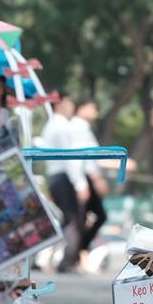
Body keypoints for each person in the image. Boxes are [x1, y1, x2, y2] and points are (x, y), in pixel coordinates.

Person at [38, 96, 87, 272]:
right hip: (63, 176)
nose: (72, 106)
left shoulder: (50, 125)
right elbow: (70, 157)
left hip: (54, 176)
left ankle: (55, 257)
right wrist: (80, 184)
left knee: (65, 220)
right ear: (58, 104)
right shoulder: (62, 125)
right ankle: (67, 260)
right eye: (68, 102)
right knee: (73, 220)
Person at [68, 97, 108, 265]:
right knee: (81, 218)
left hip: (82, 177)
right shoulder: (79, 127)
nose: (95, 113)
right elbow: (85, 157)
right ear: (81, 108)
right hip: (82, 177)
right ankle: (74, 253)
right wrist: (95, 180)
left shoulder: (80, 127)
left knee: (81, 218)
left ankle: (77, 253)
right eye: (92, 108)